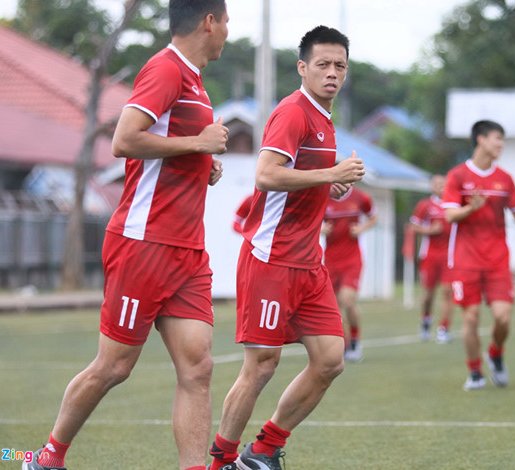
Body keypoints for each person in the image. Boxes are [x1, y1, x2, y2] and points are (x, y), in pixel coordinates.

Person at [24, 2, 230, 469]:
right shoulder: (166, 69)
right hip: (145, 244)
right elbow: (124, 140)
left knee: (198, 367)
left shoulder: (195, 82)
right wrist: (197, 144)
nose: (227, 32)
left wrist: (202, 163)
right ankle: (46, 458)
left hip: (187, 251)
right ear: (209, 22)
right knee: (114, 366)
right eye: (226, 22)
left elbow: (169, 149)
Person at [207, 26, 364, 470]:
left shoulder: (323, 118)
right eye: (323, 65)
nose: (332, 73)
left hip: (309, 263)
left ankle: (263, 450)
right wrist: (330, 175)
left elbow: (299, 177)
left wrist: (327, 185)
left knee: (330, 360)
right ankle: (221, 462)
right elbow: (267, 175)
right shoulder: (293, 112)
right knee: (261, 365)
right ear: (302, 68)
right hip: (271, 259)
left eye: (339, 66)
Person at [442, 120, 515, 391]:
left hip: (497, 260)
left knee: (503, 317)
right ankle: (475, 372)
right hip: (465, 260)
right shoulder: (458, 176)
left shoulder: (505, 178)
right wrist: (470, 208)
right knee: (471, 318)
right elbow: (450, 215)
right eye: (498, 138)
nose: (501, 145)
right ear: (481, 139)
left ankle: (495, 352)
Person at [322, 185, 377, 361]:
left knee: (347, 299)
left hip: (352, 259)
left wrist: (362, 228)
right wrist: (321, 229)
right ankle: (344, 345)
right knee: (334, 306)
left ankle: (355, 340)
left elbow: (373, 218)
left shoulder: (361, 197)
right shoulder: (323, 197)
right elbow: (309, 221)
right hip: (330, 260)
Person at [409, 174, 454, 344]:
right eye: (437, 184)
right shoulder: (425, 205)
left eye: (443, 183)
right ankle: (426, 320)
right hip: (430, 256)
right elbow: (413, 226)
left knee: (447, 293)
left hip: (450, 256)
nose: (440, 186)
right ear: (432, 186)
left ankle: (444, 329)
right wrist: (429, 230)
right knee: (428, 295)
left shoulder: (454, 205)